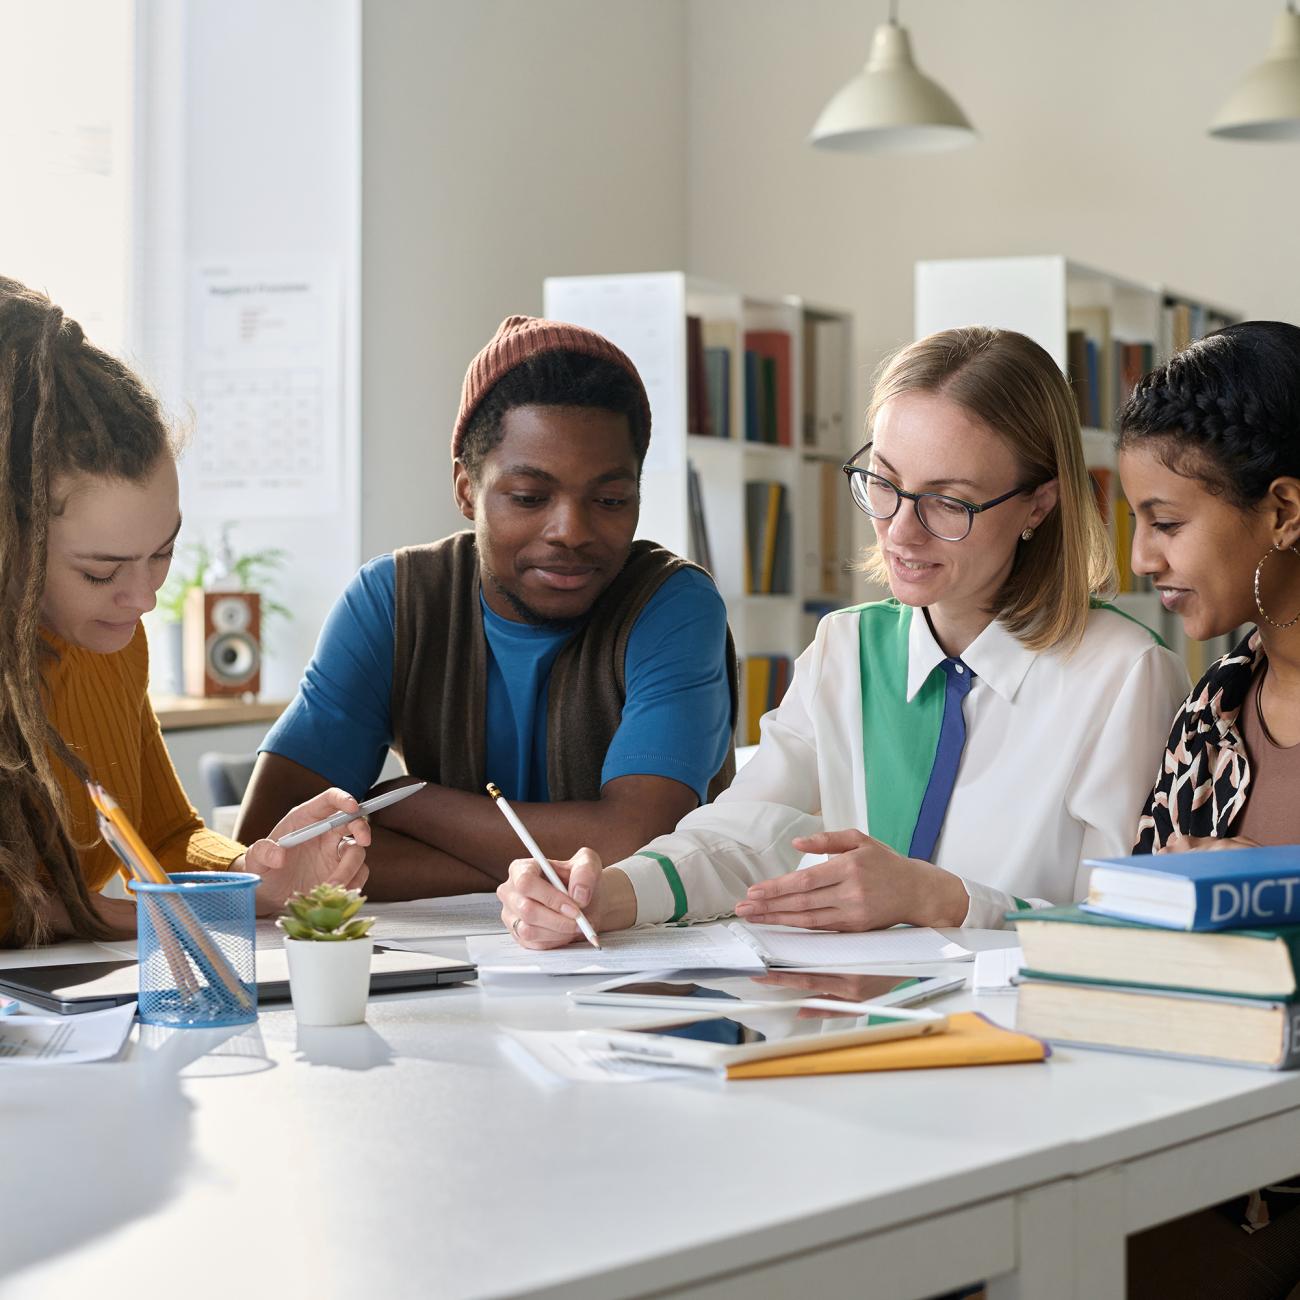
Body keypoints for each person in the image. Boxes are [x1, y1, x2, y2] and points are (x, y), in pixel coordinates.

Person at [497, 325, 1190, 946]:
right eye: (884, 483)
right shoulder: (846, 649)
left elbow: (1131, 930)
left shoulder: (1124, 674)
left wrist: (939, 898)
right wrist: (606, 894)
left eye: (948, 501)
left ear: (1039, 503)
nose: (901, 530)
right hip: (863, 1032)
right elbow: (744, 834)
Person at [236, 315, 736, 900]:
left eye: (610, 499)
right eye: (529, 497)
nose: (570, 531)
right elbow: (272, 851)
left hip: (633, 969)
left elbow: (637, 840)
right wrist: (539, 871)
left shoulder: (671, 605)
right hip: (432, 969)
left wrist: (412, 802)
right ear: (467, 489)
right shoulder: (392, 604)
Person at [0, 276, 369, 948]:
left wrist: (253, 875)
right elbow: (31, 907)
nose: (144, 599)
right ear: (12, 545)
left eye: (163, 553)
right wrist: (136, 916)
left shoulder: (114, 642)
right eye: (101, 571)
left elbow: (165, 836)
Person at [1117, 321, 1300, 1299]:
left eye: (1166, 520)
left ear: (1281, 510)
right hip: (1197, 1149)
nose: (1140, 555)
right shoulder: (1210, 707)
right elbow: (1142, 961)